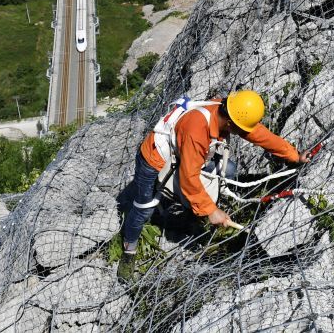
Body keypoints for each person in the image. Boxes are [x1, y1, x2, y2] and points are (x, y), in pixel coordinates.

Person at [117, 90, 308, 282]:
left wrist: (293, 155)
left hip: (185, 153)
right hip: (154, 159)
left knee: (229, 169)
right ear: (231, 123)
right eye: (241, 129)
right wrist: (211, 210)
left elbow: (259, 133)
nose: (244, 134)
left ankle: (190, 215)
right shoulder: (197, 130)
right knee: (144, 209)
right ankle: (128, 251)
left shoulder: (227, 110)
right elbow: (188, 178)